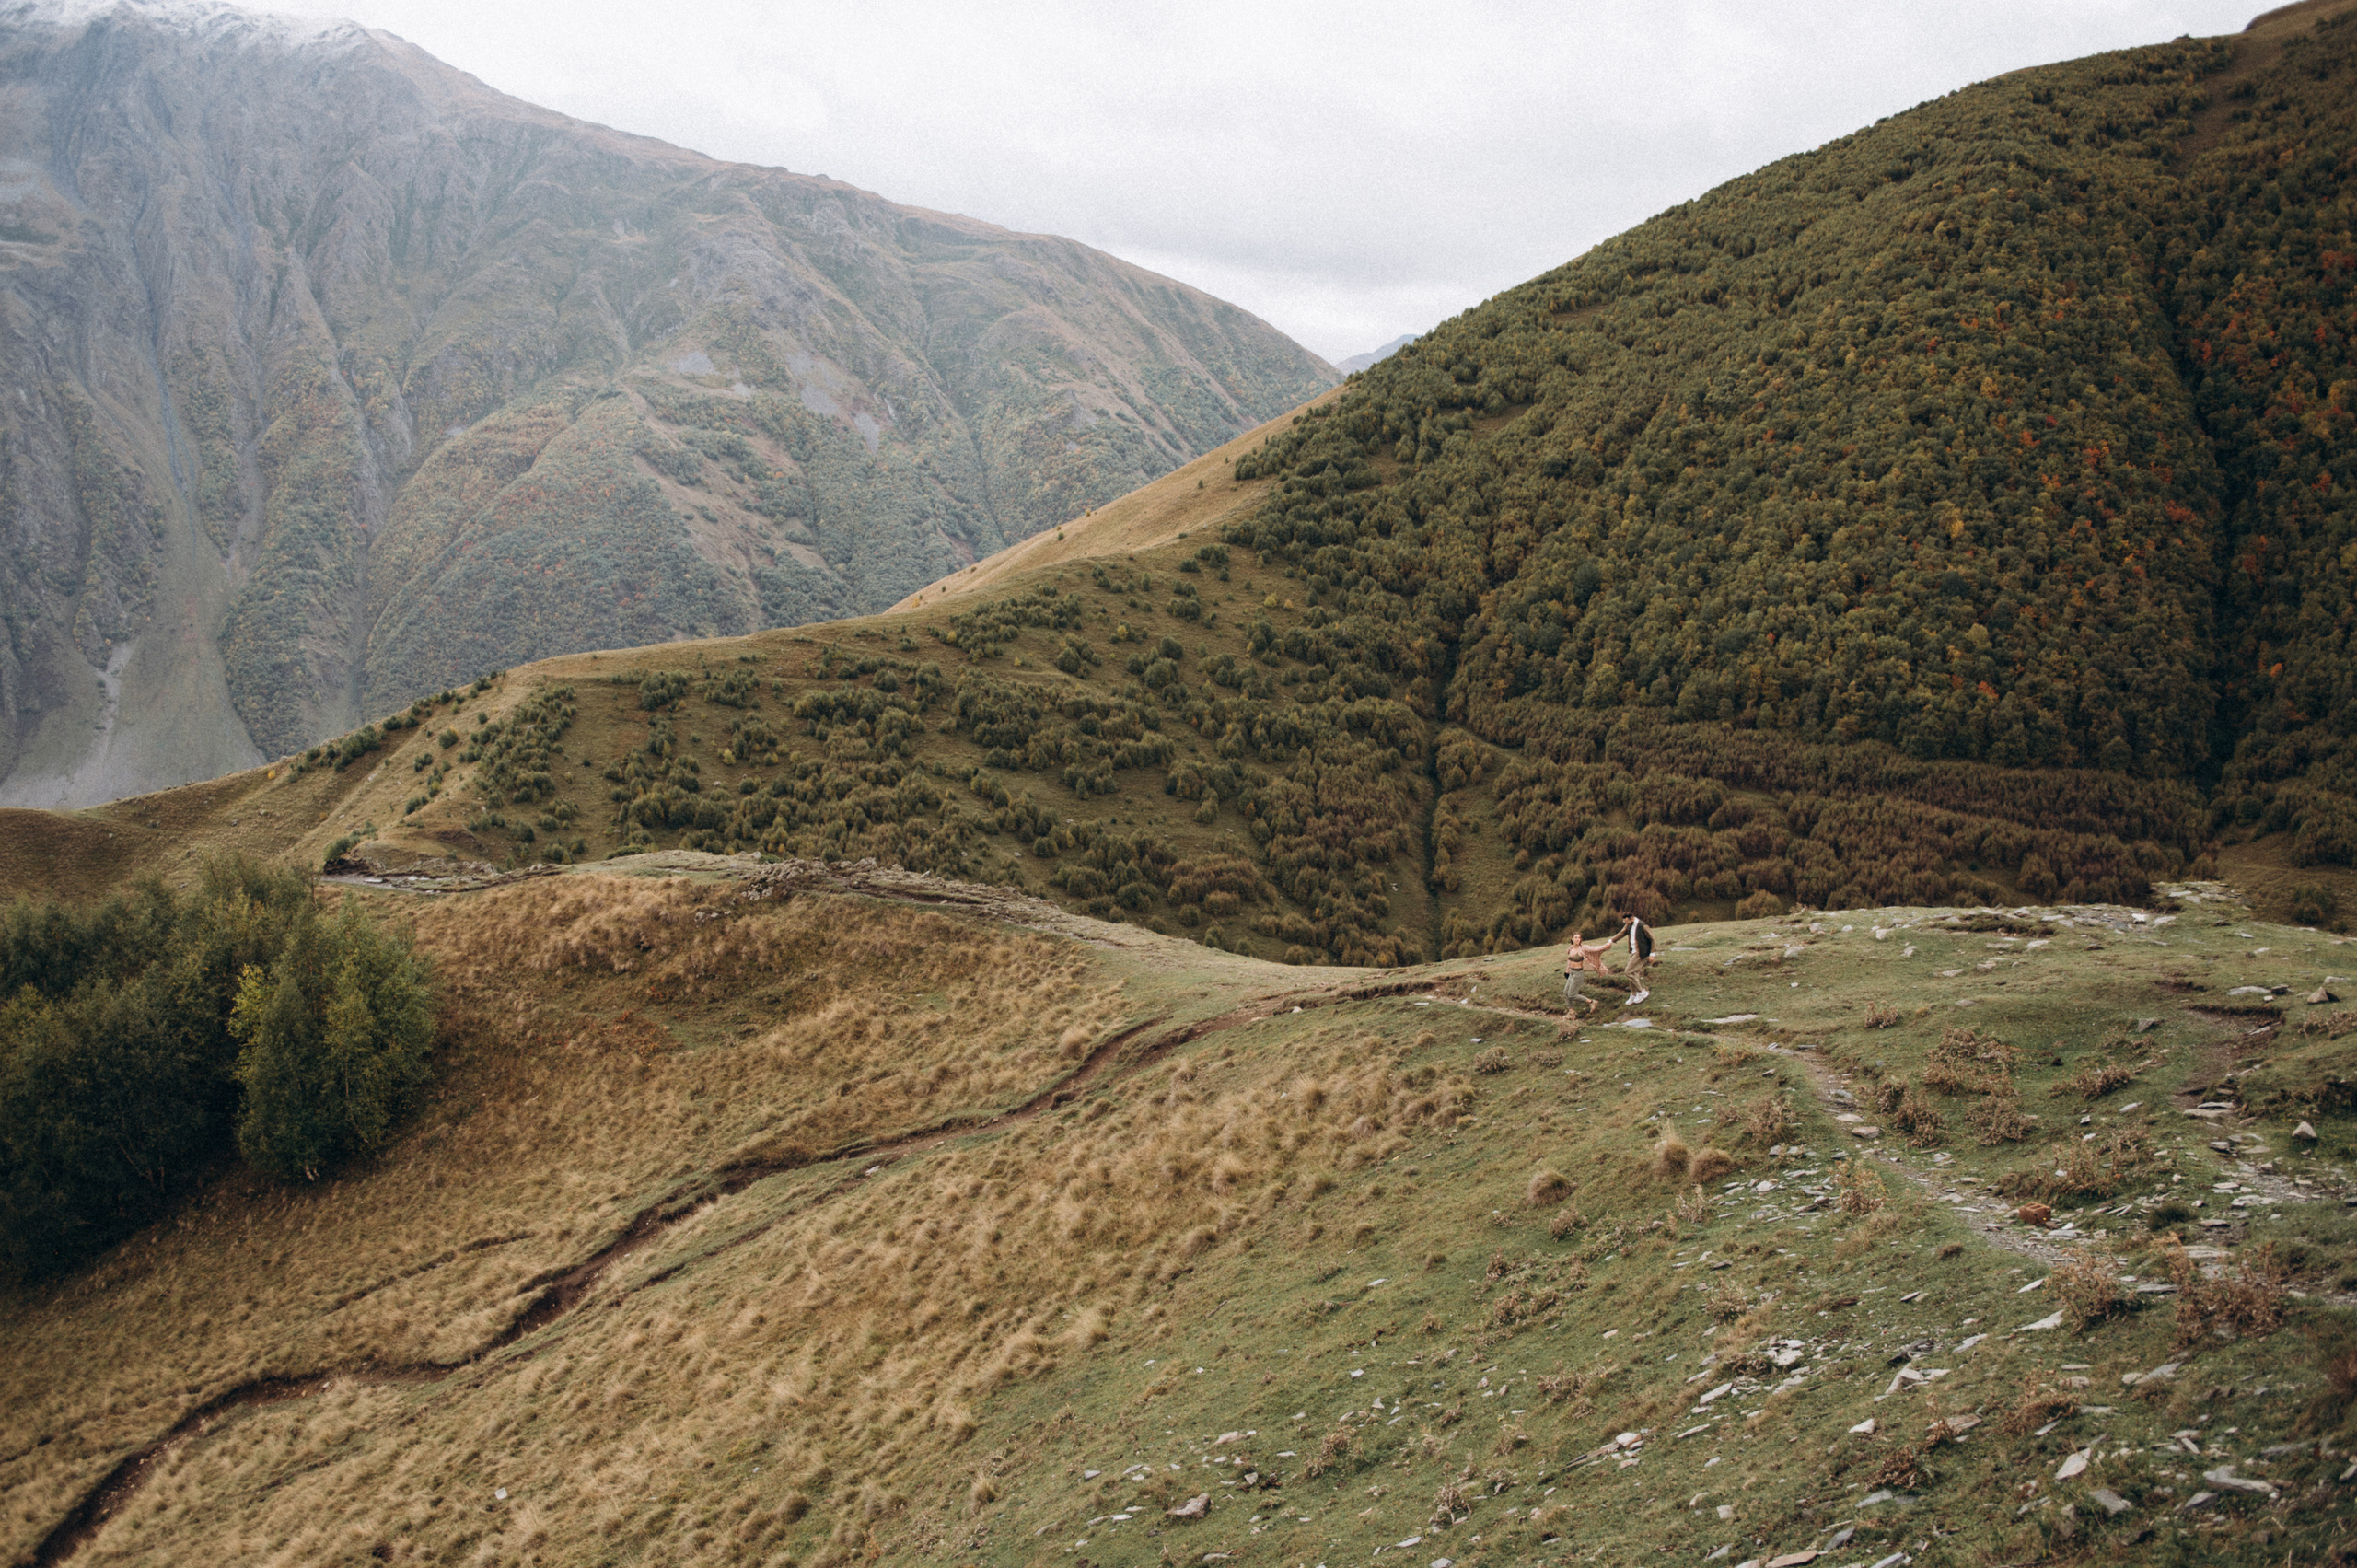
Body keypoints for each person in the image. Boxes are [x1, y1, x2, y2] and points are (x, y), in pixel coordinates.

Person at [1562, 928, 1620, 1016]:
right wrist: (1567, 971)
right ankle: (1571, 1011)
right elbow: (1569, 961)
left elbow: (1596, 949)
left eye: (1579, 938)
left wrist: (1606, 946)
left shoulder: (1583, 948)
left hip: (1578, 973)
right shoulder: (1570, 949)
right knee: (1566, 993)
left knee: (1572, 994)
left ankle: (1592, 1002)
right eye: (1576, 937)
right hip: (1571, 973)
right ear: (1572, 939)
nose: (1578, 939)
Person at [1622, 913, 1655, 1006]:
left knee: (1628, 972)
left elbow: (1653, 939)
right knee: (1633, 973)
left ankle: (1641, 991)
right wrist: (1611, 941)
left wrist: (1652, 954)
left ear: (1632, 919)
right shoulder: (1629, 925)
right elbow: (1622, 933)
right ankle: (1633, 994)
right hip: (1633, 952)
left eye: (1626, 921)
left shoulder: (1643, 926)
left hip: (1640, 952)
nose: (1626, 923)